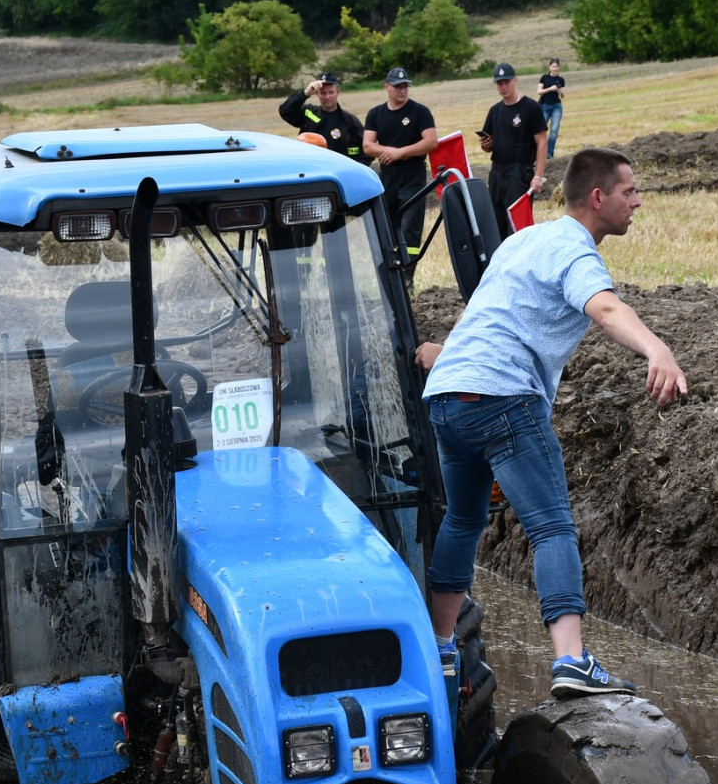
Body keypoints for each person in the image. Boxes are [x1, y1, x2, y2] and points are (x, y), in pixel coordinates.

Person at [413, 146, 686, 698]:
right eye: (630, 191)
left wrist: (447, 353)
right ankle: (570, 661)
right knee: (552, 527)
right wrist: (657, 349)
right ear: (598, 197)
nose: (637, 202)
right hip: (503, 397)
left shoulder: (522, 241)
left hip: (447, 398)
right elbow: (606, 309)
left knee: (463, 520)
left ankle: (440, 649)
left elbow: (484, 312)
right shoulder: (574, 250)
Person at [363, 66, 439, 252]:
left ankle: (408, 267)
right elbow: (368, 146)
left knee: (410, 226)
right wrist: (389, 151)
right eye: (398, 86)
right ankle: (391, 265)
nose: (402, 90)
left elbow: (431, 142)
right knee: (387, 225)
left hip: (413, 176)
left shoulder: (420, 112)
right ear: (386, 87)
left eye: (405, 86)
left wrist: (401, 153)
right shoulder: (375, 114)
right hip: (388, 176)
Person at [478, 63, 547, 236]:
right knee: (496, 223)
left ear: (515, 80)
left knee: (518, 226)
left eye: (506, 82)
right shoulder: (494, 111)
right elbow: (488, 146)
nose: (503, 87)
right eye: (499, 83)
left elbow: (542, 143)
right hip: (497, 172)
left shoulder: (531, 107)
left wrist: (538, 176)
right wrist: (485, 145)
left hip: (520, 172)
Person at [278, 72, 366, 163]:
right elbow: (285, 111)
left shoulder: (349, 120)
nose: (327, 97)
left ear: (338, 92)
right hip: (313, 167)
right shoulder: (309, 114)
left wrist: (354, 167)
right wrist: (305, 93)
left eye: (331, 92)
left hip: (339, 169)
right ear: (317, 94)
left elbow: (367, 148)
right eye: (323, 93)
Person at [536, 59, 566, 159]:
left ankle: (549, 153)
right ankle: (537, 150)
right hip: (545, 106)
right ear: (549, 67)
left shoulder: (561, 80)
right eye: (553, 66)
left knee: (554, 130)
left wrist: (560, 91)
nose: (554, 68)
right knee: (540, 129)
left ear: (559, 68)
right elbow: (539, 91)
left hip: (556, 106)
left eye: (556, 67)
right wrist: (550, 89)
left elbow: (562, 96)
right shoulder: (544, 78)